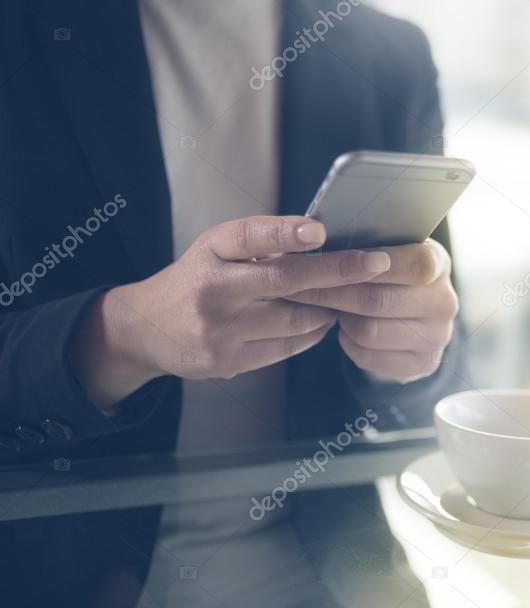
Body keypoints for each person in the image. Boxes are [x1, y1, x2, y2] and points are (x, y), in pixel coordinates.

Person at [0, 1, 464, 605]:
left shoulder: (387, 52)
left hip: (334, 574)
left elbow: (449, 375)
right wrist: (122, 337)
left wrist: (403, 361)